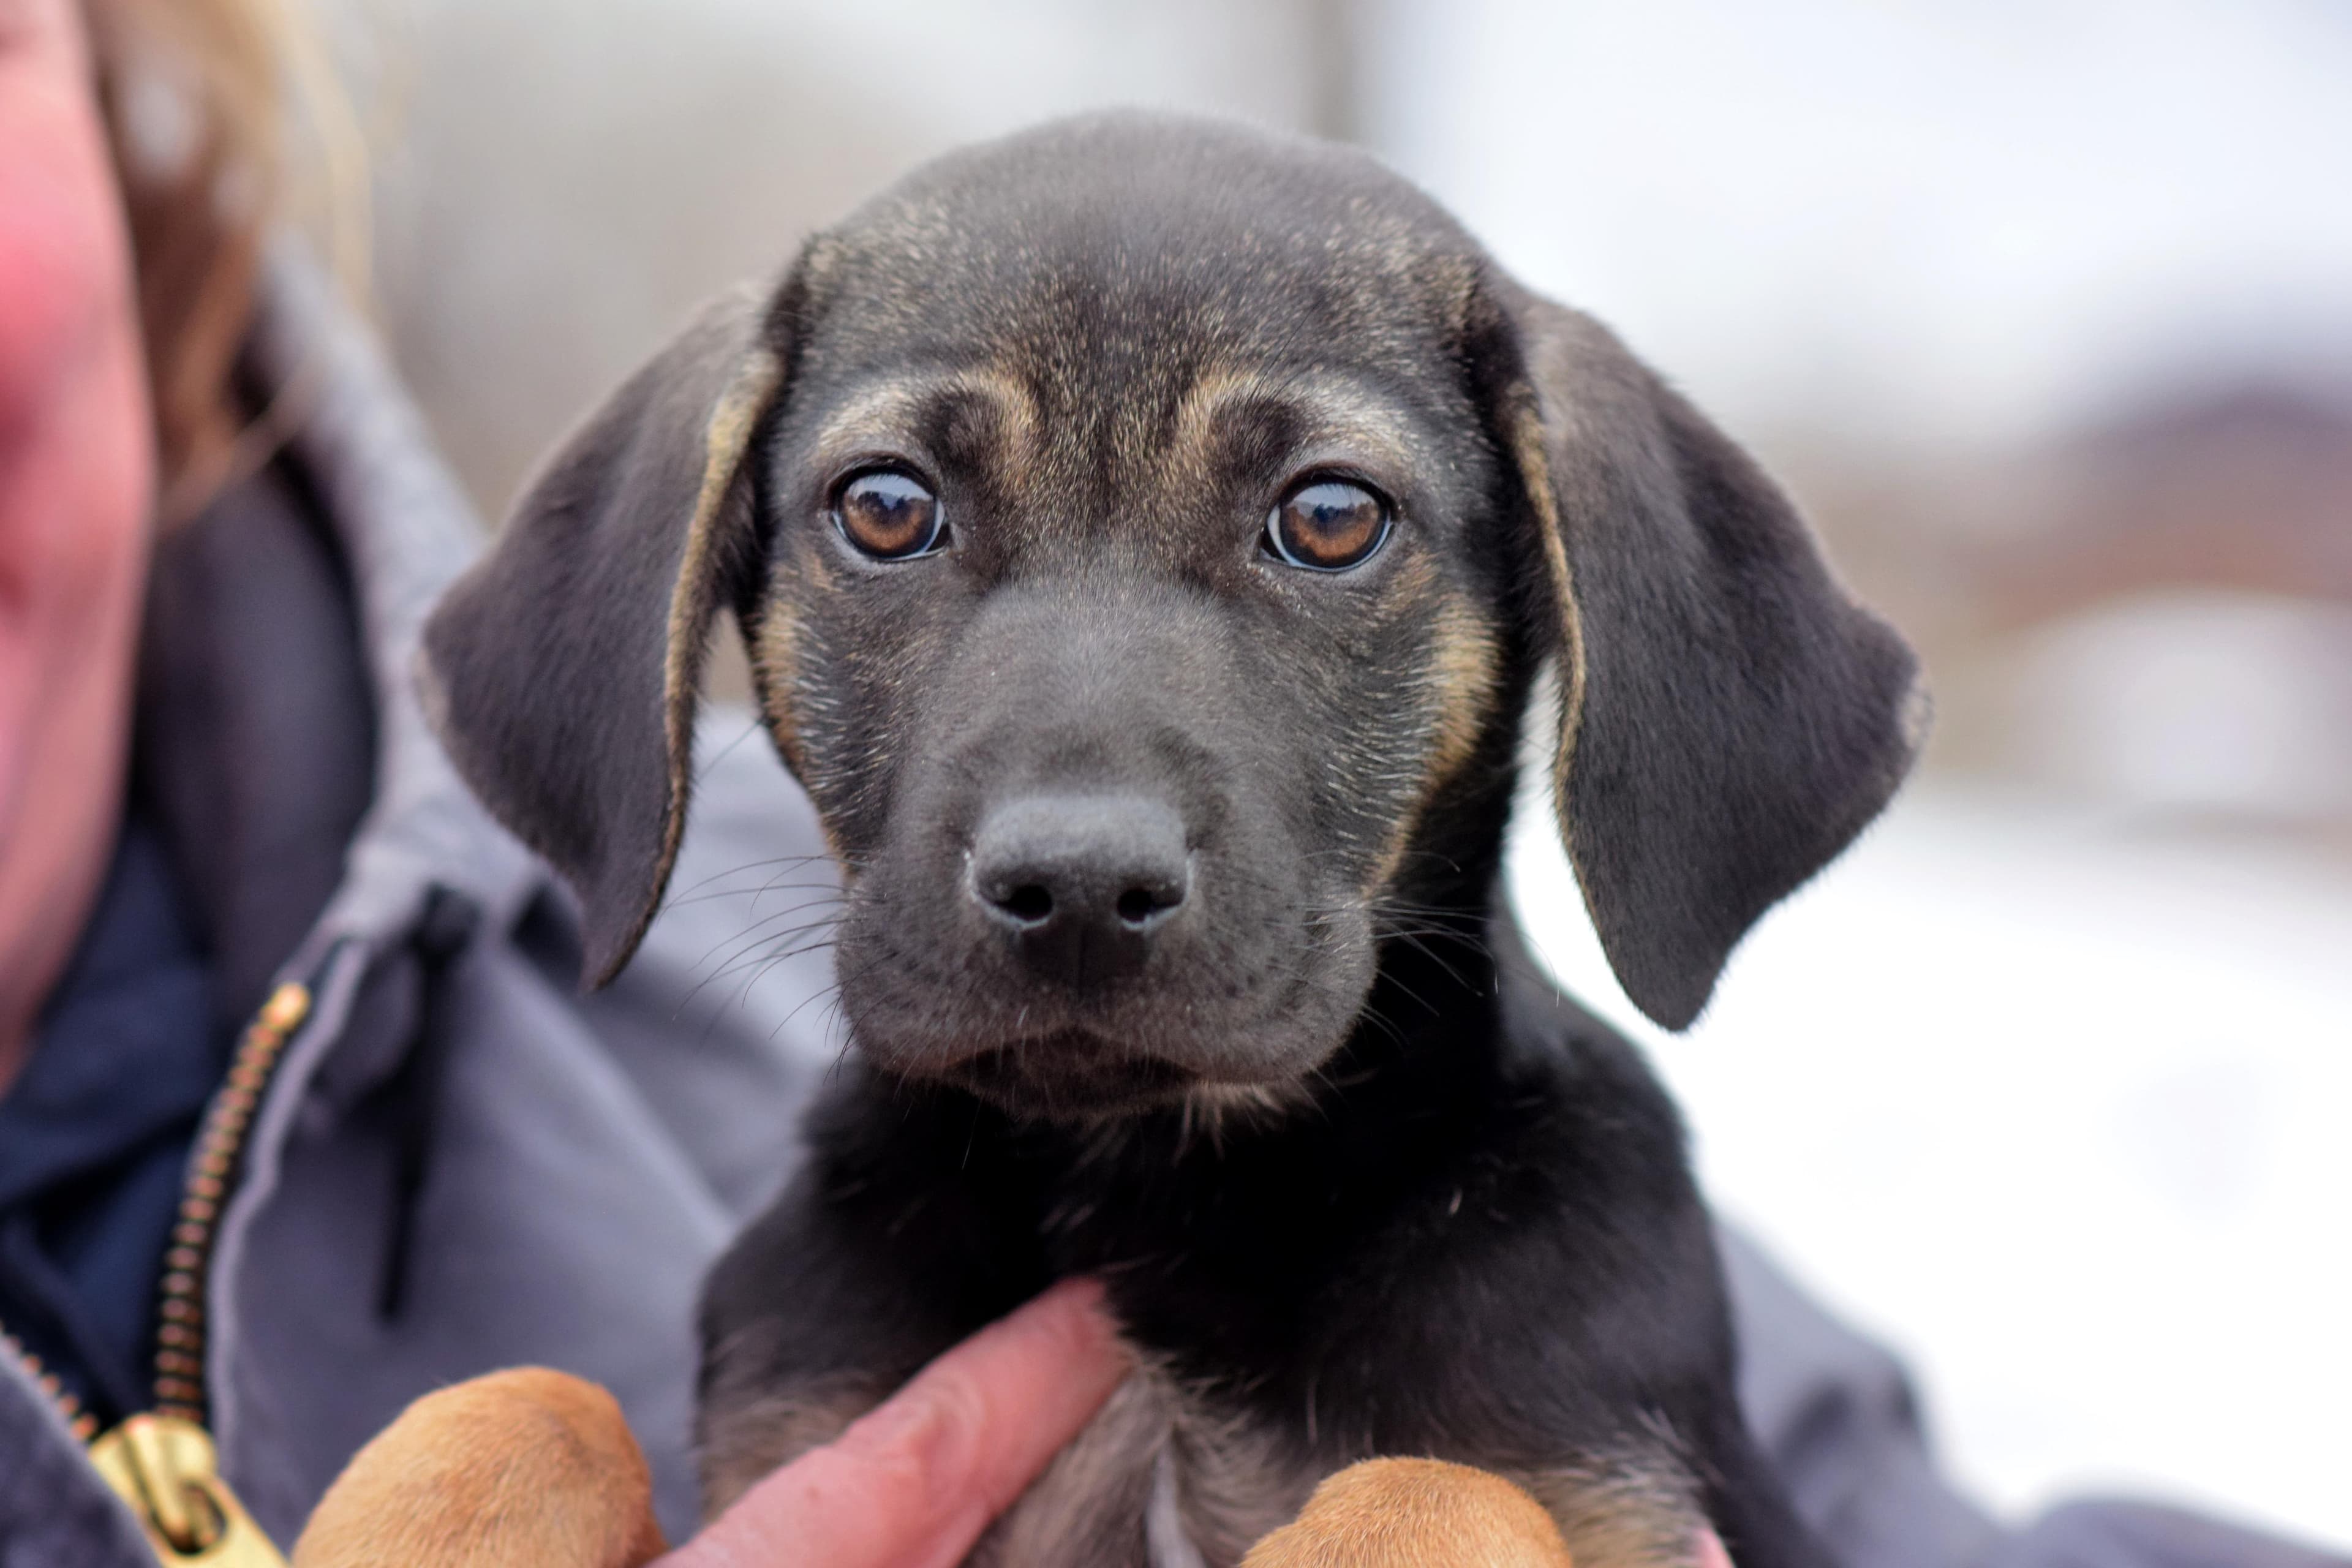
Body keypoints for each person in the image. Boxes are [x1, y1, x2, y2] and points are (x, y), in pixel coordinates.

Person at [0, 1, 2338, 1564]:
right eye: (897, 519)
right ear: (679, 605)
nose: (1080, 821)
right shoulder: (806, 1314)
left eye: (1325, 526)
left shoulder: (1584, 1304)